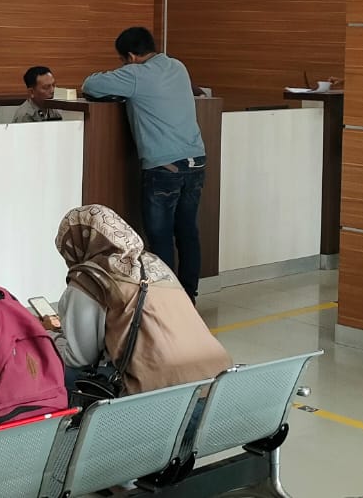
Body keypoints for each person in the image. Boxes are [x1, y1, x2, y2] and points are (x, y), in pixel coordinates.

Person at [81, 27, 207, 299]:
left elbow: (90, 85)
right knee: (187, 232)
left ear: (131, 57)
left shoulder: (136, 75)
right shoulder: (178, 66)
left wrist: (124, 73)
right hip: (196, 161)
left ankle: (167, 300)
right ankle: (189, 296)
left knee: (160, 237)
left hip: (164, 167)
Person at [47, 205, 230, 394]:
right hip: (219, 387)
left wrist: (49, 338)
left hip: (163, 396)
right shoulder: (154, 263)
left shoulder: (90, 278)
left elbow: (79, 358)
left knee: (51, 366)